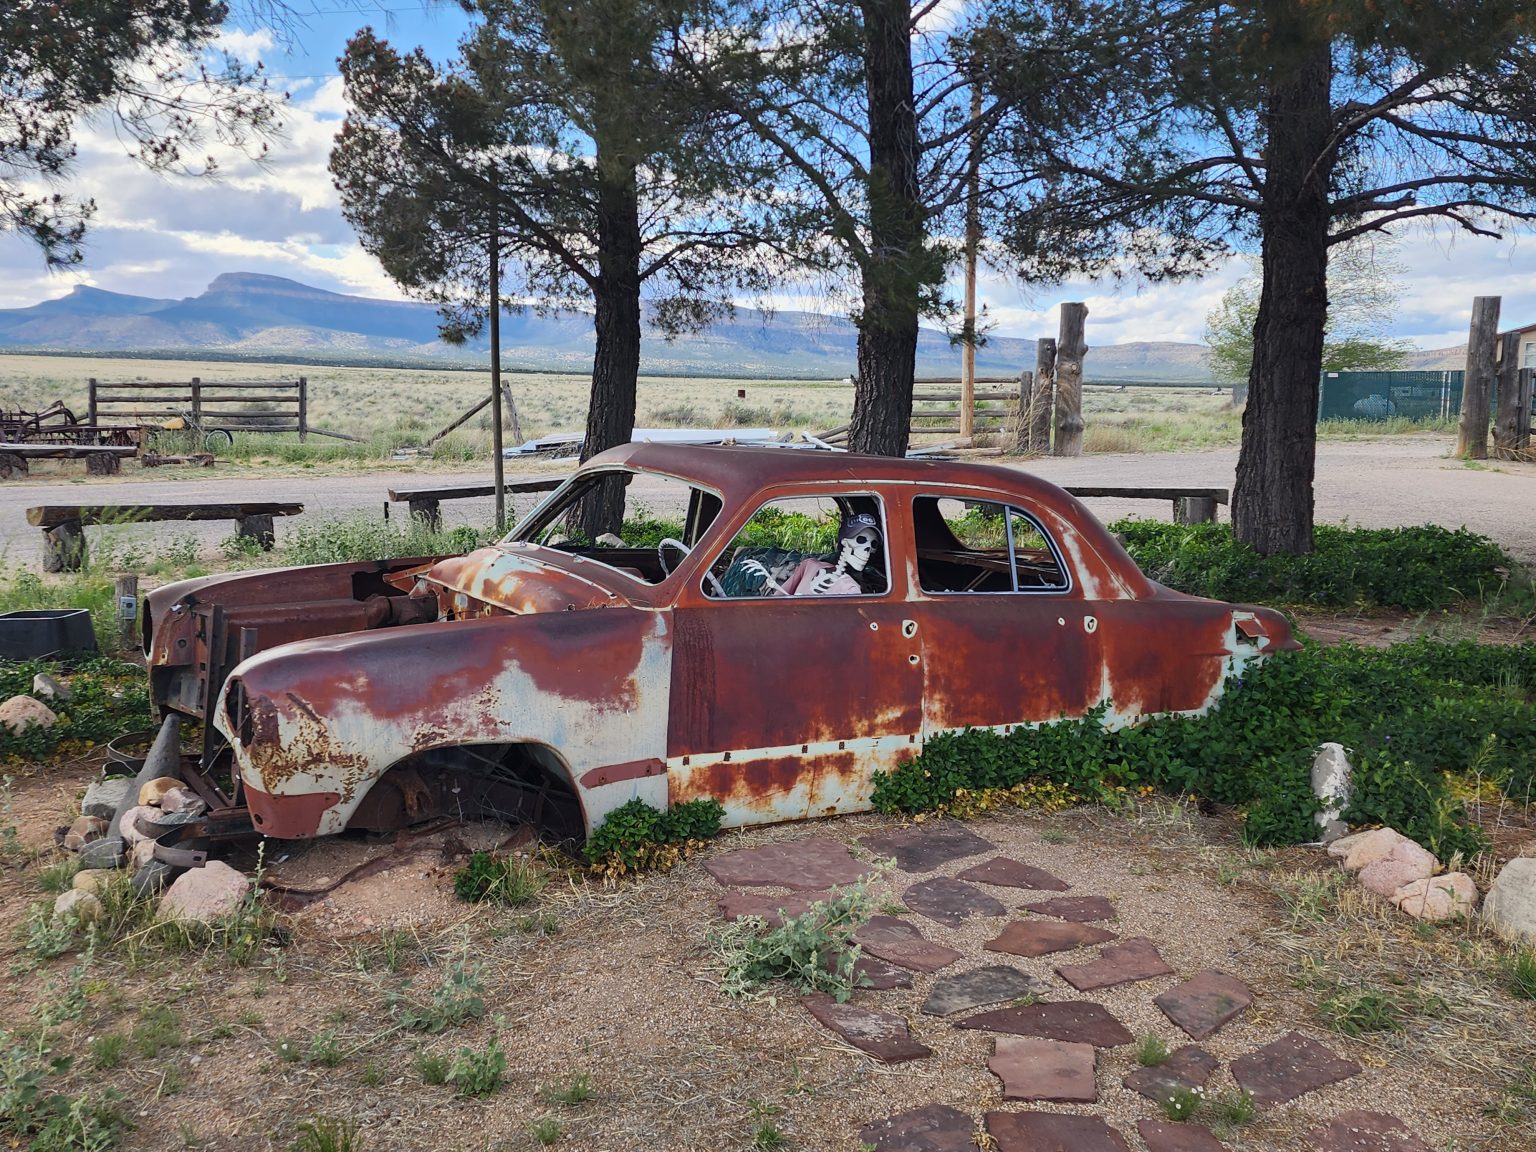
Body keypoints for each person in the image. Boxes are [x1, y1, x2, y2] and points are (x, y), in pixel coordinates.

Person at [741, 511, 883, 596]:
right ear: (845, 542)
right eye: (861, 540)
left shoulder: (852, 590)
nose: (867, 549)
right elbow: (777, 598)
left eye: (873, 544)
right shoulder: (810, 565)